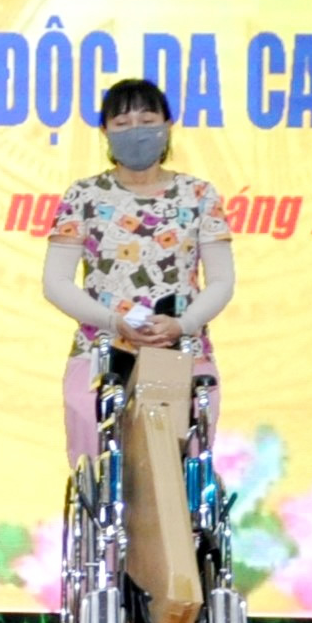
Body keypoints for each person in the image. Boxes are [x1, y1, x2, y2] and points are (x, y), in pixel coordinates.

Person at [42, 78, 236, 466]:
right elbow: (56, 282)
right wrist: (112, 321)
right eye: (122, 122)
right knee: (103, 474)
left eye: (147, 119)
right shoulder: (84, 196)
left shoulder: (199, 195)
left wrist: (184, 324)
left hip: (180, 351)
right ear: (105, 132)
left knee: (178, 479)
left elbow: (221, 280)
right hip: (102, 353)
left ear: (168, 125)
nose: (137, 131)